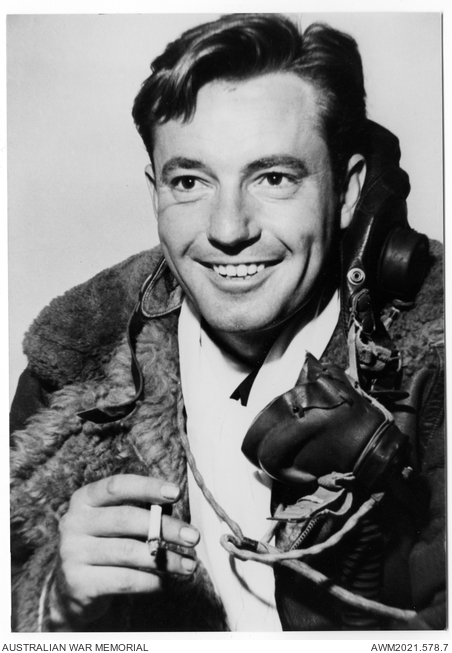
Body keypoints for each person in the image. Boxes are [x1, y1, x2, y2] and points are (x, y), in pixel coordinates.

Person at [10, 13, 444, 632]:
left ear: (348, 192)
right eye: (190, 181)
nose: (228, 229)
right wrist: (55, 609)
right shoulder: (69, 367)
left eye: (273, 178)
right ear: (154, 191)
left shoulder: (437, 356)